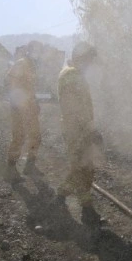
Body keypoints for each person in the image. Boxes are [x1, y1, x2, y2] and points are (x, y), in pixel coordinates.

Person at [54, 41, 104, 227]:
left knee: (84, 167)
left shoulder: (75, 74)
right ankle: (87, 209)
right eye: (89, 60)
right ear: (80, 57)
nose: (90, 64)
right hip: (77, 131)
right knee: (81, 168)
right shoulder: (70, 75)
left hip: (81, 129)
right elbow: (74, 109)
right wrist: (88, 130)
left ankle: (60, 196)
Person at [4, 40, 43, 183]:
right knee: (19, 137)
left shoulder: (32, 66)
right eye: (36, 50)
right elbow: (8, 81)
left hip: (30, 107)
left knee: (36, 136)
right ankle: (10, 170)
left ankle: (30, 166)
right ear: (30, 50)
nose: (38, 53)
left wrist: (35, 102)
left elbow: (30, 88)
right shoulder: (21, 63)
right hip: (19, 107)